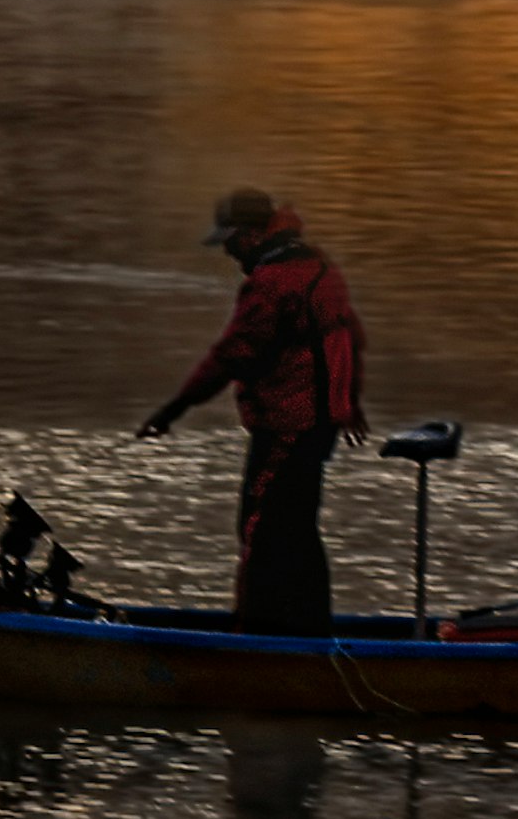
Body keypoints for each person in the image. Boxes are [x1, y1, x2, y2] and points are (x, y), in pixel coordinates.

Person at [137, 187, 368, 634]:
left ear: (249, 235)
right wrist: (349, 402)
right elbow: (346, 335)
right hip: (318, 427)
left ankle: (259, 640)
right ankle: (308, 633)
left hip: (287, 425)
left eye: (228, 237)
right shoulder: (319, 267)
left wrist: (172, 409)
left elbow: (231, 356)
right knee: (297, 532)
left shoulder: (272, 284)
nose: (225, 248)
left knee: (260, 531)